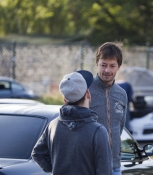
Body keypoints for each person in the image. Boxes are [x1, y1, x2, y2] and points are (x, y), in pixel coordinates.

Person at [31, 70, 112, 175]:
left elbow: (38, 154)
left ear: (65, 99)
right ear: (88, 94)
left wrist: (56, 168)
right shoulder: (98, 131)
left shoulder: (52, 125)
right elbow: (104, 171)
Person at [89, 42, 127, 175]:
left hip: (115, 166)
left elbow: (120, 127)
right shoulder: (86, 91)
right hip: (90, 166)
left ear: (119, 67)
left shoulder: (122, 94)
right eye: (103, 65)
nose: (107, 70)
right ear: (97, 64)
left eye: (112, 66)